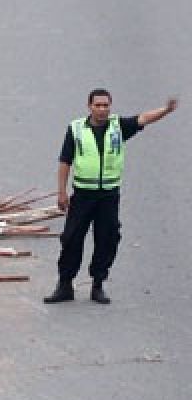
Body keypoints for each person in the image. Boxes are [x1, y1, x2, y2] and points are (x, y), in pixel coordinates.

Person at [44, 90, 178, 305]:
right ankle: (65, 285)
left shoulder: (118, 127)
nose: (102, 109)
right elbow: (65, 161)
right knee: (71, 238)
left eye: (106, 105)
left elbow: (143, 118)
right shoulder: (76, 128)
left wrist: (166, 110)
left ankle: (98, 285)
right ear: (89, 106)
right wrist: (61, 192)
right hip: (83, 195)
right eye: (98, 105)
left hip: (108, 196)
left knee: (107, 239)